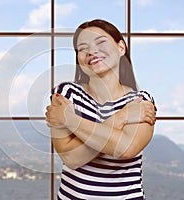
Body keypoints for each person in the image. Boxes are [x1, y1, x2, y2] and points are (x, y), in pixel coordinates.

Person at [45, 19, 157, 200]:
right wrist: (120, 117)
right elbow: (71, 158)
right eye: (82, 48)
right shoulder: (66, 94)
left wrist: (71, 120)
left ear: (121, 47)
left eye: (100, 42)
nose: (91, 51)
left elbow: (126, 148)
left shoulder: (141, 101)